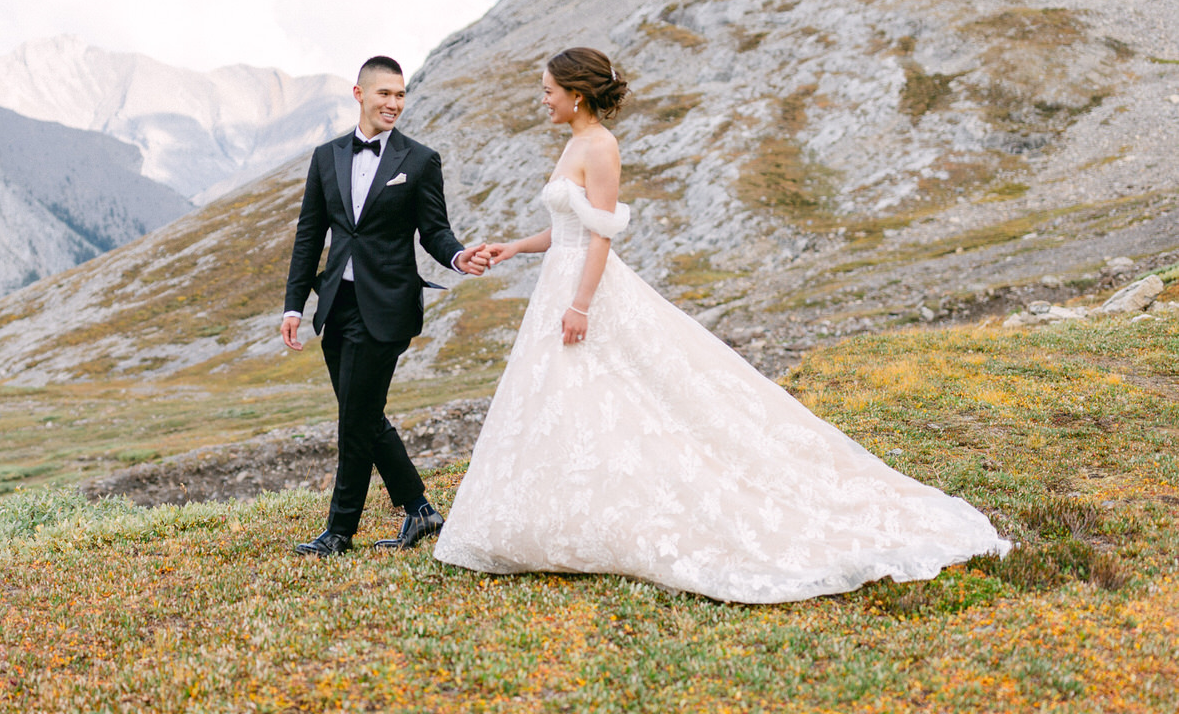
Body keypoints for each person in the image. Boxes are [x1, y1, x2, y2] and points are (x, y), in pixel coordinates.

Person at [433, 47, 1009, 603]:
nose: (544, 101)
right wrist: (513, 248)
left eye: (549, 92)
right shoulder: (575, 142)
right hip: (560, 277)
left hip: (584, 289)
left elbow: (601, 235)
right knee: (564, 400)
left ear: (578, 95)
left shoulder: (601, 147)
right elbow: (568, 231)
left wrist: (581, 304)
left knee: (616, 392)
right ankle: (560, 514)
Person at [282, 55, 490, 556]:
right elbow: (310, 235)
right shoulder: (326, 156)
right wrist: (293, 306)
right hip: (337, 305)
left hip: (388, 305)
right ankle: (419, 509)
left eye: (400, 95)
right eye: (385, 94)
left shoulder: (419, 160)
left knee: (354, 421)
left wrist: (458, 256)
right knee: (364, 413)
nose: (394, 103)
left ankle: (339, 532)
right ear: (360, 94)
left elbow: (434, 230)